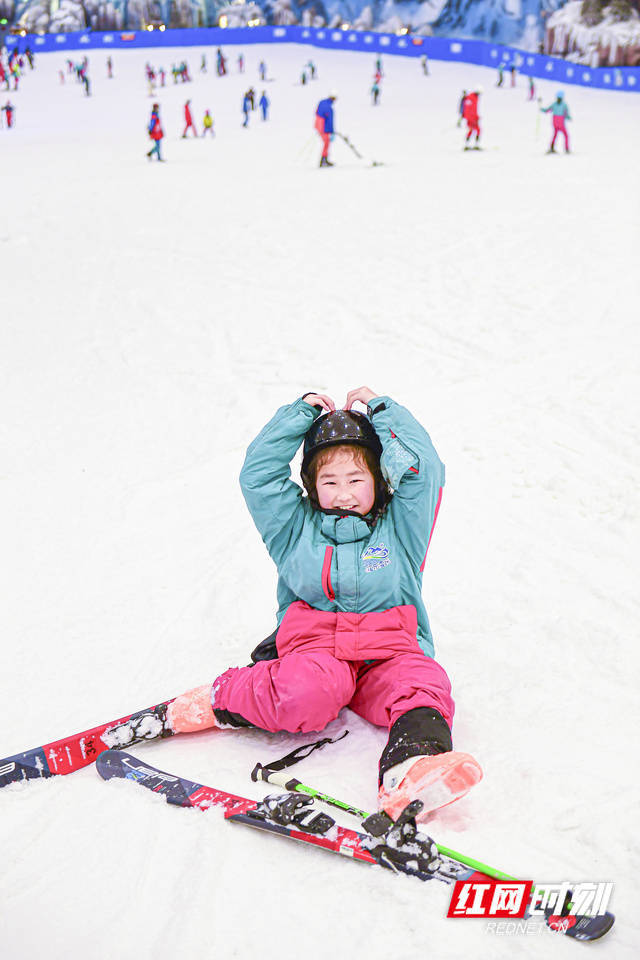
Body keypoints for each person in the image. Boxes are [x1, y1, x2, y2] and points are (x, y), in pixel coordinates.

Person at [161, 389, 482, 824]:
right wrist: (300, 415)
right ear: (312, 486)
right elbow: (258, 476)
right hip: (317, 650)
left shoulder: (402, 528)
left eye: (356, 479)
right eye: (329, 482)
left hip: (388, 651)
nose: (343, 493)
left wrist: (382, 409)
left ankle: (411, 768)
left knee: (421, 681)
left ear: (378, 480)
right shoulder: (294, 529)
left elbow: (425, 470)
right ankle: (222, 697)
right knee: (309, 692)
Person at [315, 91, 337, 167]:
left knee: (326, 142)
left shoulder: (322, 102)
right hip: (323, 126)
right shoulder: (329, 108)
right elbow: (329, 121)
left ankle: (324, 159)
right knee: (327, 142)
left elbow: (316, 112)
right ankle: (323, 160)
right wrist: (331, 131)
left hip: (317, 124)